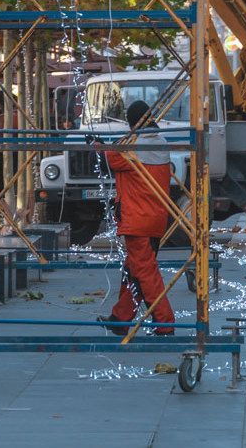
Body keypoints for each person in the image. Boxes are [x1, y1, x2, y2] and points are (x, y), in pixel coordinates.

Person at [97, 100, 175, 336]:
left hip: (138, 221)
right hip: (156, 219)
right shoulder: (161, 144)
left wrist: (98, 146)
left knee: (145, 273)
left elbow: (110, 159)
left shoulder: (133, 149)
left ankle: (165, 323)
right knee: (133, 271)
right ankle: (121, 319)